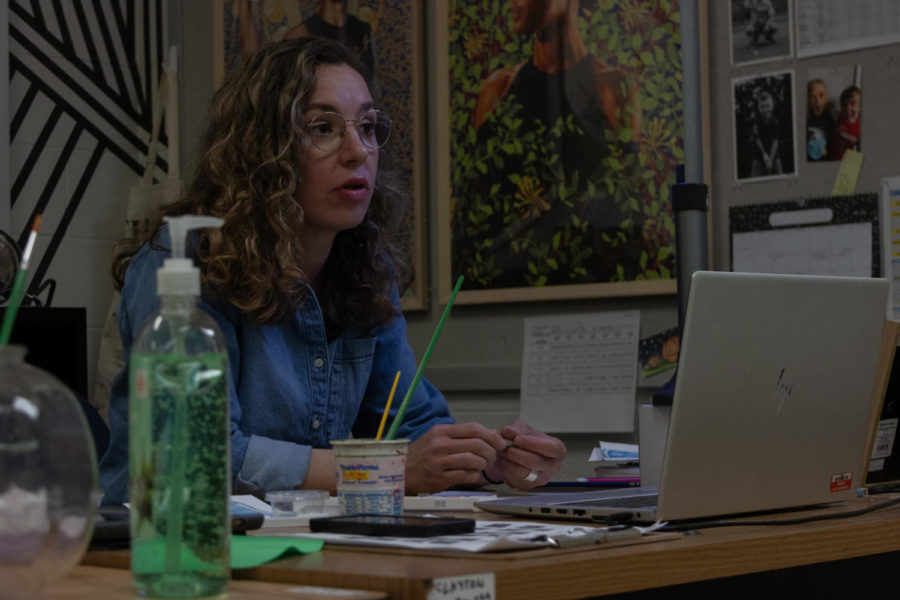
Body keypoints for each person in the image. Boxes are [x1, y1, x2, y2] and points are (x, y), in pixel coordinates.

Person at [97, 37, 566, 504]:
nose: (357, 150)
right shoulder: (181, 264)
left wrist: (489, 460)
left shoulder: (364, 268)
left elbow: (412, 424)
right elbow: (195, 454)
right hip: (165, 551)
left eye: (367, 126)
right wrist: (383, 469)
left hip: (311, 543)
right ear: (263, 151)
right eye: (322, 127)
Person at [455, 0, 644, 289]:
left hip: (591, 293)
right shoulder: (497, 90)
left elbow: (627, 217)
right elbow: (476, 219)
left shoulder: (613, 90)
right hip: (501, 294)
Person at [749, 90, 782, 176]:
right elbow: (757, 138)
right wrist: (764, 154)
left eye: (767, 106)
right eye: (762, 107)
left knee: (779, 177)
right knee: (755, 179)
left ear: (772, 106)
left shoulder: (775, 122)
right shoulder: (756, 121)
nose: (765, 109)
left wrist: (770, 160)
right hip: (759, 156)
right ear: (759, 108)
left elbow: (775, 142)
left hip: (774, 155)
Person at [806, 78, 835, 161]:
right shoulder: (806, 118)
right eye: (813, 97)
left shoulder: (829, 117)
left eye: (821, 95)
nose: (817, 101)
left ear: (826, 97)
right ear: (808, 99)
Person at [831, 85, 861, 159]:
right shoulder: (839, 117)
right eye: (844, 105)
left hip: (848, 162)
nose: (848, 108)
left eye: (853, 104)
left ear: (859, 107)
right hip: (833, 156)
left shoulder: (859, 127)